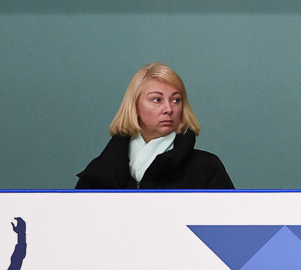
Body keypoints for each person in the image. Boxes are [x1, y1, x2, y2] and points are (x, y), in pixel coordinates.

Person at [76, 63, 235, 189]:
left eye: (176, 100)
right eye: (157, 99)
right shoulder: (101, 171)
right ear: (135, 107)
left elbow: (229, 226)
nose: (169, 109)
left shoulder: (206, 167)